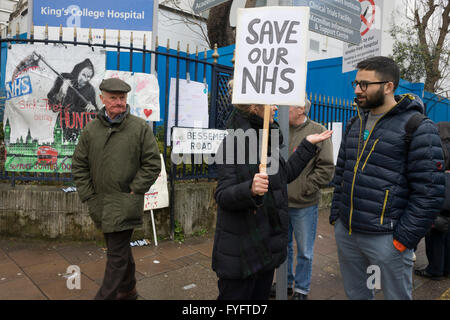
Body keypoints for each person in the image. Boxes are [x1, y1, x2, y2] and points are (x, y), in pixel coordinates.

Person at [330, 56, 445, 300]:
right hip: (348, 232)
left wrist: (403, 239)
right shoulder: (355, 122)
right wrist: (337, 218)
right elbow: (341, 172)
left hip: (388, 238)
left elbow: (429, 193)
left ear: (388, 86)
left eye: (365, 84)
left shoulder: (418, 127)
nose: (358, 90)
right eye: (356, 83)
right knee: (357, 295)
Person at [212, 99, 333, 300]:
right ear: (254, 107)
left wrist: (307, 145)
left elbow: (284, 175)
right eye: (271, 104)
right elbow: (223, 195)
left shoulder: (266, 139)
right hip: (241, 252)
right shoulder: (233, 142)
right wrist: (249, 189)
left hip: (266, 246)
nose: (276, 108)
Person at [72, 78, 161, 300]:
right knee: (119, 250)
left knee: (116, 254)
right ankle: (129, 289)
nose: (119, 103)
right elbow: (79, 165)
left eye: (122, 98)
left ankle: (106, 296)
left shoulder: (139, 128)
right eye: (113, 98)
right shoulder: (91, 130)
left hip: (125, 202)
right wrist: (88, 195)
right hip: (100, 203)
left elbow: (152, 164)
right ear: (102, 99)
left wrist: (135, 190)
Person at [284, 99, 334, 300]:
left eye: (288, 106)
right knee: (283, 246)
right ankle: (285, 283)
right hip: (281, 202)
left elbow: (327, 168)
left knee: (305, 250)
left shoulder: (318, 131)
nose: (282, 109)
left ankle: (301, 289)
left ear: (301, 109)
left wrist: (306, 187)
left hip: (304, 203)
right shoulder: (279, 128)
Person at [414, 121, 450, 280]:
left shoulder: (434, 137)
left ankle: (435, 270)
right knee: (447, 230)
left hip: (439, 188)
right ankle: (446, 268)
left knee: (435, 229)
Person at [47, 58, 98, 142]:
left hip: (81, 126)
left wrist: (93, 109)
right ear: (77, 72)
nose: (86, 79)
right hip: (64, 124)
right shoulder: (63, 79)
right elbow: (54, 108)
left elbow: (95, 114)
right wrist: (61, 93)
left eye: (89, 77)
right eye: (84, 75)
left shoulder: (90, 89)